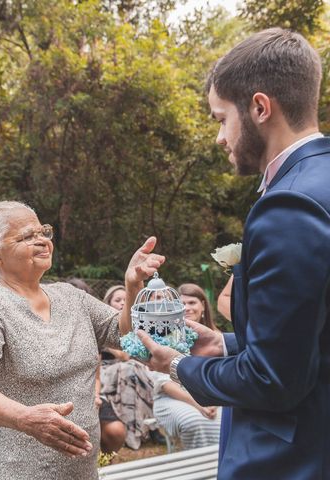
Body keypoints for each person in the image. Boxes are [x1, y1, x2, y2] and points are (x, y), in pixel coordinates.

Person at [138, 28, 330, 479]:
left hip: (292, 458)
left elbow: (273, 381)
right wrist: (222, 344)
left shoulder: (289, 206)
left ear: (260, 108)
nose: (219, 138)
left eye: (221, 118)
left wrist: (181, 365)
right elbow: (312, 341)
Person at [0, 201, 164, 479]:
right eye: (27, 236)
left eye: (43, 232)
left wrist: (133, 284)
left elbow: (124, 336)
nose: (41, 241)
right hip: (17, 469)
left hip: (80, 469)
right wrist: (25, 419)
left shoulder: (70, 296)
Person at [147, 283, 220, 450]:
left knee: (232, 417)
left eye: (192, 303)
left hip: (214, 395)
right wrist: (199, 404)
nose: (186, 308)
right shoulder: (163, 335)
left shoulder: (217, 338)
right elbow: (165, 383)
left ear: (203, 305)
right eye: (181, 304)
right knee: (195, 421)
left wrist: (215, 400)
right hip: (172, 398)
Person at [98, 284, 154, 452]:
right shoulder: (101, 324)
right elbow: (123, 355)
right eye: (118, 300)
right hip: (103, 369)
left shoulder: (139, 323)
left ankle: (139, 426)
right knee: (129, 369)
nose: (122, 303)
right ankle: (132, 429)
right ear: (108, 303)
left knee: (133, 369)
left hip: (129, 367)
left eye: (125, 299)